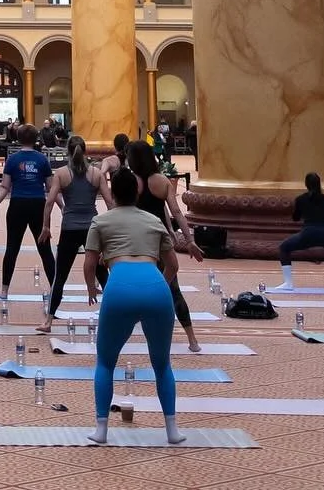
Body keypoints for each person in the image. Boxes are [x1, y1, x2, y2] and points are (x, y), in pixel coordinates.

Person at [83, 166, 186, 447]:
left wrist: (93, 289)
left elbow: (90, 264)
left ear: (112, 193)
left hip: (119, 287)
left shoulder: (101, 221)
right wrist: (158, 287)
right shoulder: (153, 221)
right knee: (162, 365)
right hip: (155, 286)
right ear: (138, 191)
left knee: (105, 362)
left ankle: (101, 430)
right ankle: (172, 430)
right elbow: (173, 265)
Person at [127, 140, 204, 352]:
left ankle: (130, 330)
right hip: (160, 240)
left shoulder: (131, 181)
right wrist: (189, 240)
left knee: (135, 287)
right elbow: (175, 212)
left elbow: (123, 211)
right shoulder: (162, 181)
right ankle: (192, 340)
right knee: (172, 289)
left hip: (138, 241)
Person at [40, 135, 107, 328]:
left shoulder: (61, 173)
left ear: (67, 152)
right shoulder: (96, 174)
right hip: (92, 229)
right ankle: (117, 316)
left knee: (60, 276)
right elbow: (111, 202)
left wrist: (45, 226)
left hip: (69, 228)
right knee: (103, 274)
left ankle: (49, 321)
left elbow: (50, 202)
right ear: (85, 152)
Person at [0, 122, 58, 301]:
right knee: (45, 250)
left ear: (17, 139)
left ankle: (4, 290)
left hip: (17, 204)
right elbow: (51, 188)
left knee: (12, 248)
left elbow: (4, 186)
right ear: (36, 139)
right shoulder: (42, 159)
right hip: (38, 205)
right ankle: (55, 288)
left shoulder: (13, 160)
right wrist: (63, 206)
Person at [100, 133, 131, 205]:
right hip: (131, 198)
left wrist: (106, 190)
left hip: (116, 198)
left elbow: (101, 174)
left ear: (115, 146)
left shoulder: (109, 161)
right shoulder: (132, 159)